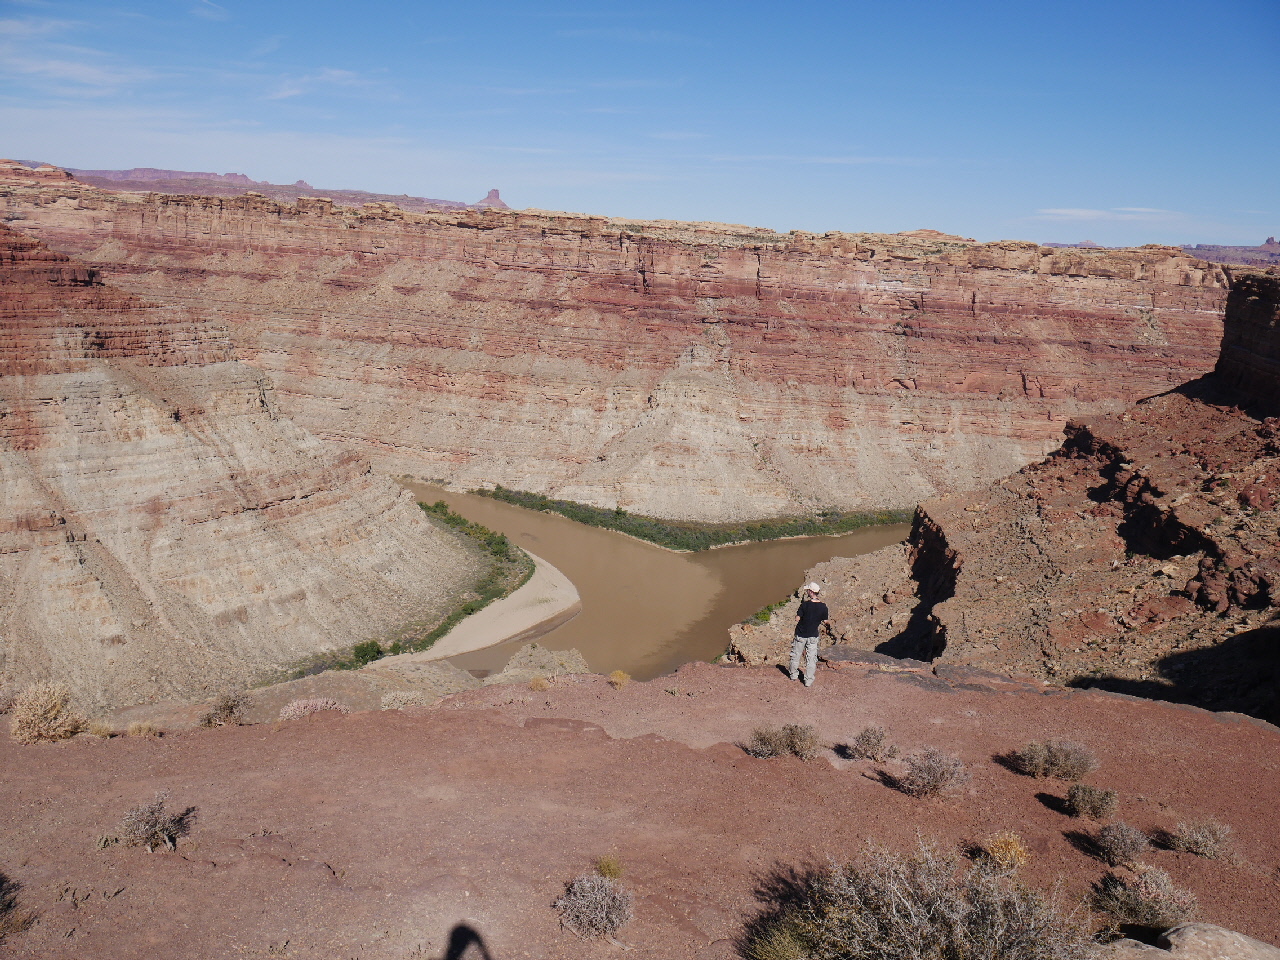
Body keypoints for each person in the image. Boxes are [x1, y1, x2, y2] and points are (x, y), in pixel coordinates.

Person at [790, 582, 830, 687]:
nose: (807, 592)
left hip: (801, 634)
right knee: (811, 659)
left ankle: (793, 675)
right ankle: (808, 680)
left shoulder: (805, 605)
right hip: (813, 635)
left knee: (796, 655)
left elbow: (797, 618)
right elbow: (826, 621)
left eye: (808, 590)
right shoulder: (823, 607)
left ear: (811, 592)